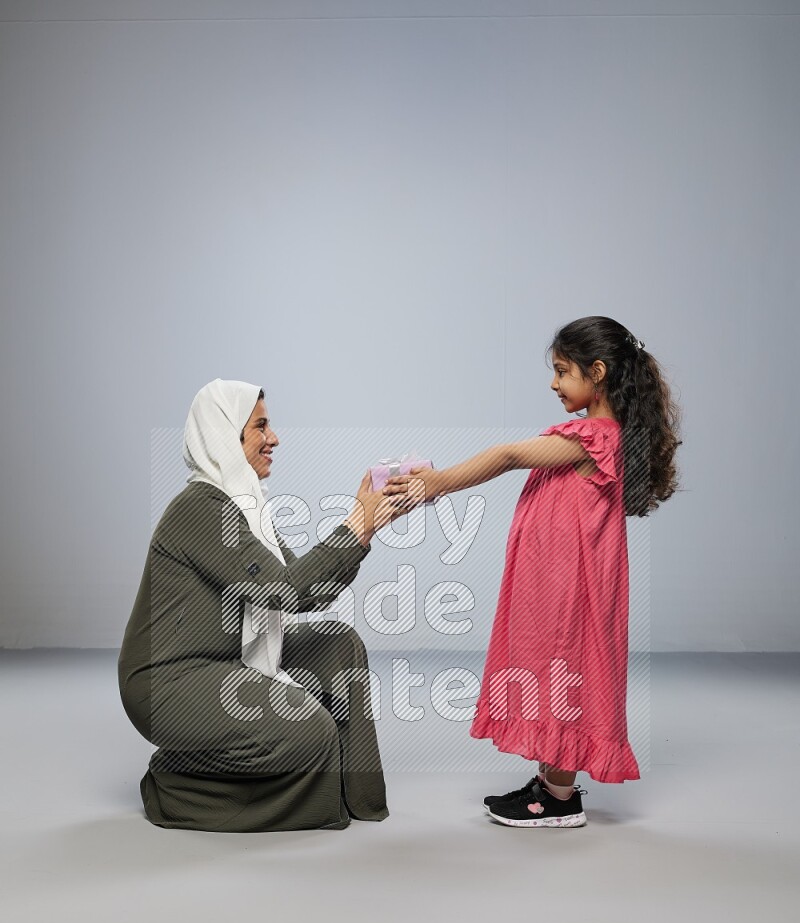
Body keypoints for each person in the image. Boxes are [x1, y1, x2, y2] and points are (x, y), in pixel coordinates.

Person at [384, 316, 682, 828]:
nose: (553, 383)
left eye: (563, 371)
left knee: (566, 666)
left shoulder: (591, 436)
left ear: (598, 372)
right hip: (561, 578)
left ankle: (560, 799)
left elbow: (508, 455)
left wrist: (435, 483)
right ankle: (551, 784)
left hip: (572, 585)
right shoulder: (606, 436)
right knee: (555, 665)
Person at [118, 378, 396, 833]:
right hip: (167, 682)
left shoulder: (246, 510)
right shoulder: (200, 508)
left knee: (339, 645)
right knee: (312, 730)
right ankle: (174, 783)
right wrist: (355, 522)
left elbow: (309, 592)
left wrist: (366, 527)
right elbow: (285, 590)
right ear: (228, 437)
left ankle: (357, 795)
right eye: (261, 427)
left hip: (223, 662)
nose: (275, 438)